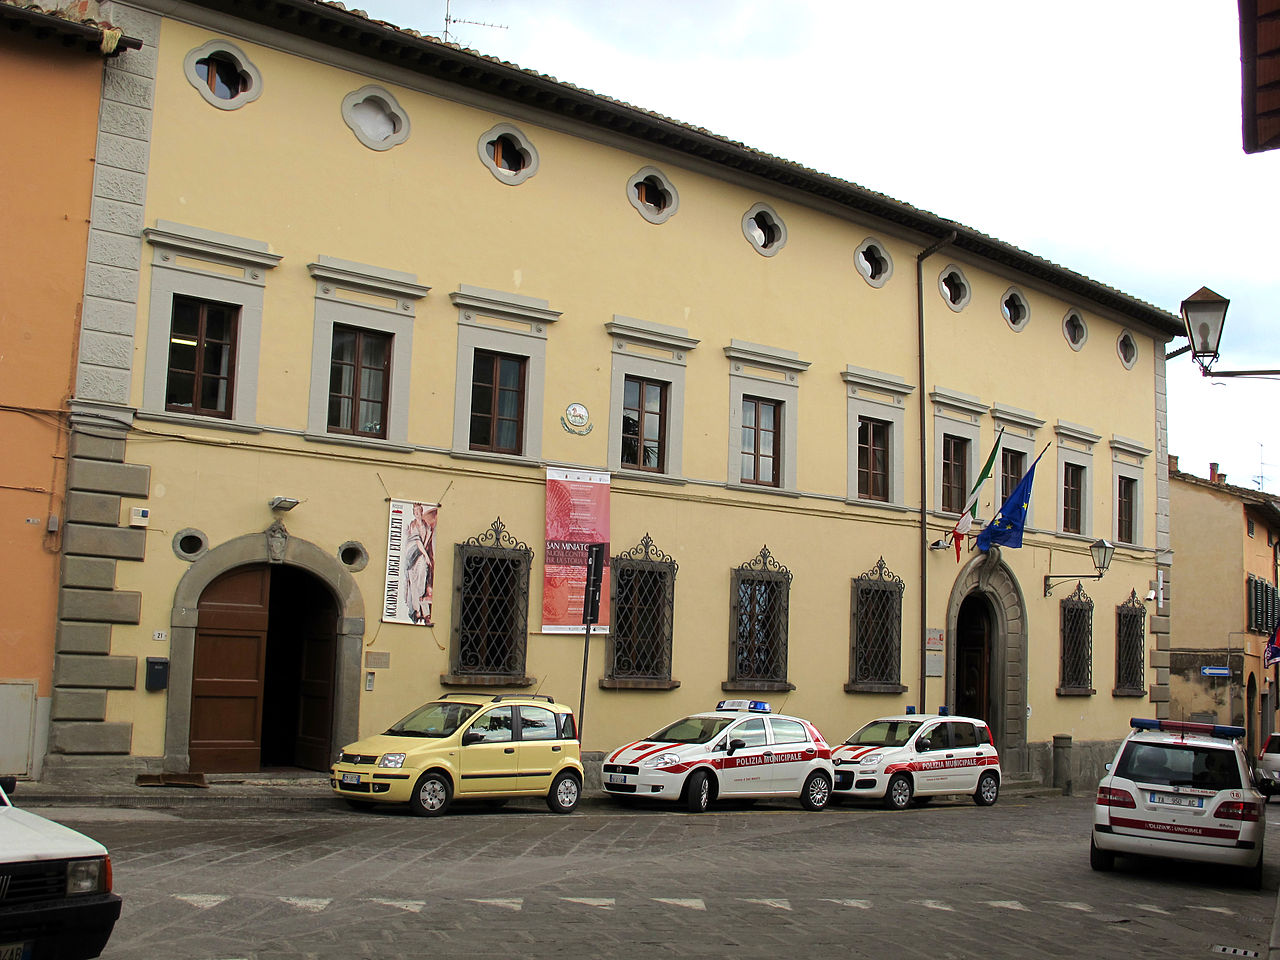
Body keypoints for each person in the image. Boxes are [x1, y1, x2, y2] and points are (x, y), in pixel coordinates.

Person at [404, 502, 436, 624]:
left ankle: (424, 612)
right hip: (413, 557)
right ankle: (418, 611)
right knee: (414, 583)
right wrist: (426, 556)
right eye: (415, 512)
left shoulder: (427, 526)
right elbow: (417, 542)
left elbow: (427, 542)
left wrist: (427, 556)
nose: (417, 513)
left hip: (423, 556)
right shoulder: (412, 525)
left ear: (421, 511)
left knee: (422, 581)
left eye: (419, 511)